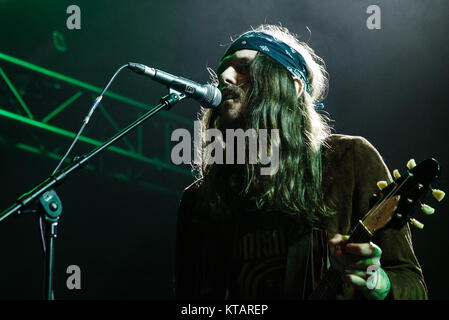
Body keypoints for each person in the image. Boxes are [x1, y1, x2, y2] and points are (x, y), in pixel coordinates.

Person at [173, 24, 427, 300]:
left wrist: (378, 282)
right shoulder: (199, 199)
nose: (224, 76)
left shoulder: (349, 160)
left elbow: (413, 286)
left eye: (244, 68)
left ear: (292, 87)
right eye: (223, 68)